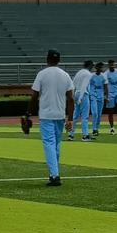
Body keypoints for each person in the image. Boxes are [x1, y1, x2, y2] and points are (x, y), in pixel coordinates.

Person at [29, 49, 74, 186]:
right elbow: (71, 99)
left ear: (47, 60)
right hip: (60, 114)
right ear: (59, 60)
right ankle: (54, 173)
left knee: (49, 143)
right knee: (56, 144)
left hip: (46, 114)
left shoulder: (42, 74)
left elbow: (34, 96)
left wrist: (28, 113)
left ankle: (55, 175)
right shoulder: (65, 75)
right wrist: (70, 118)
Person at [71, 60, 94, 141]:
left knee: (75, 115)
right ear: (90, 66)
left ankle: (71, 134)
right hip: (83, 94)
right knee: (85, 116)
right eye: (92, 66)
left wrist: (73, 96)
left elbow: (73, 83)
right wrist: (81, 97)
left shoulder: (79, 72)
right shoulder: (88, 74)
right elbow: (84, 86)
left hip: (77, 93)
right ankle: (85, 135)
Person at [88, 62, 107, 137]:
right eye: (99, 67)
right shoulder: (91, 76)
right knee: (94, 113)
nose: (100, 69)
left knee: (99, 114)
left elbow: (106, 86)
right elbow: (88, 85)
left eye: (101, 67)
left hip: (101, 96)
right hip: (93, 96)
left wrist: (106, 96)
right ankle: (94, 129)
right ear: (96, 68)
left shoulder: (103, 76)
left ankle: (97, 128)